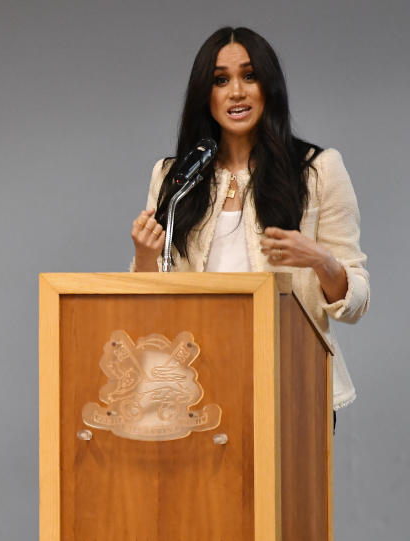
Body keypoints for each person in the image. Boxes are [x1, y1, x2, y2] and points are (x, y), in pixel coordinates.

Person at [130, 26, 369, 411]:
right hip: (195, 391)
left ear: (268, 87)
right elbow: (148, 306)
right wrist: (144, 256)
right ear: (204, 95)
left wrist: (321, 261)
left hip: (292, 386)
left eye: (249, 76)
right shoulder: (172, 175)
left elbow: (355, 303)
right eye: (221, 80)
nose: (236, 92)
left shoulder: (318, 170)